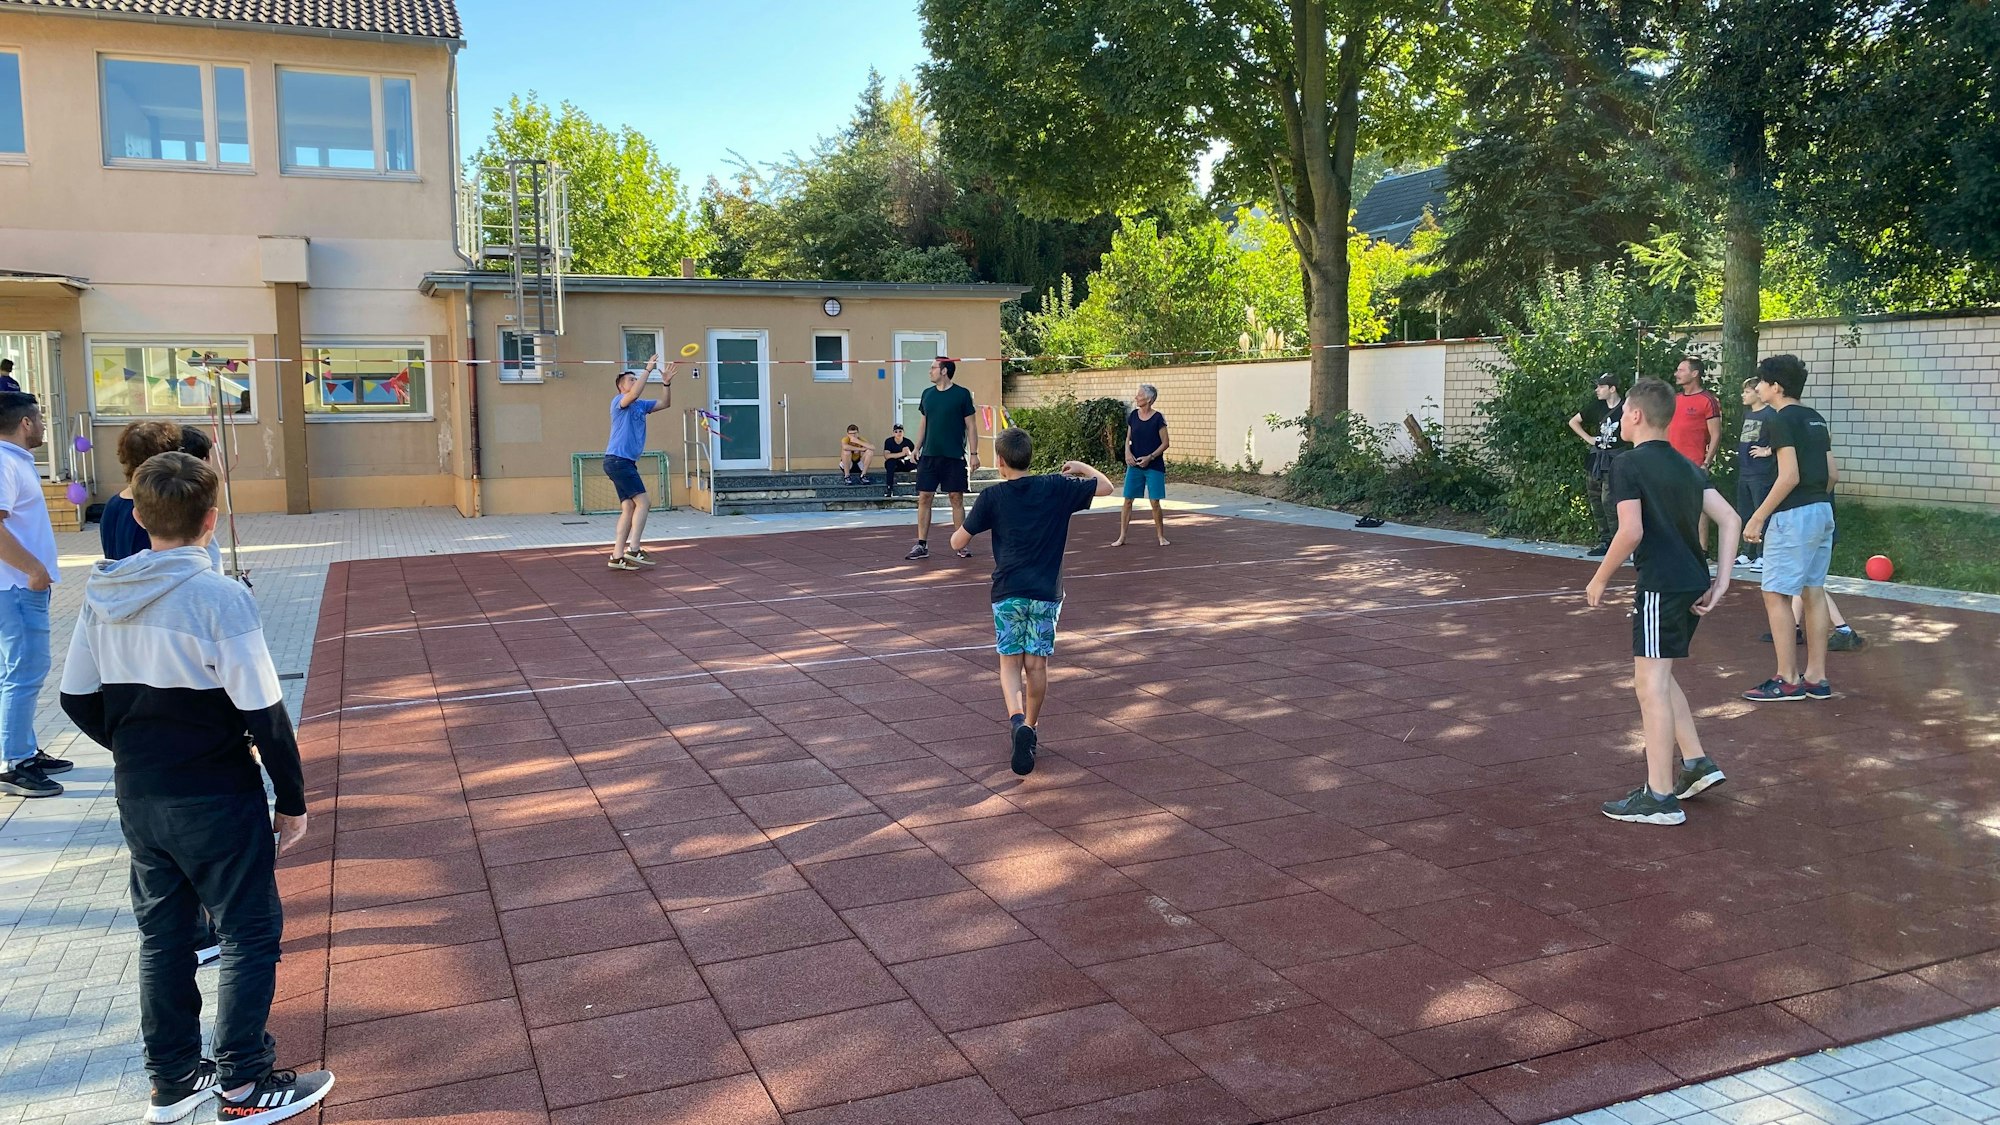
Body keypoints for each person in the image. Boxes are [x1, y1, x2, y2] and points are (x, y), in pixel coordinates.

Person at [60, 451, 330, 1124]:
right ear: (212, 519)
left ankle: (174, 1077)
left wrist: (134, 746)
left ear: (139, 516)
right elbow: (264, 710)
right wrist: (290, 799)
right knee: (249, 931)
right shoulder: (220, 597)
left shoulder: (103, 591)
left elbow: (73, 697)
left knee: (165, 937)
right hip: (214, 791)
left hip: (141, 794)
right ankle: (243, 1083)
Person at [1584, 378, 1740, 826]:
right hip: (1692, 582)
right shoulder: (1687, 466)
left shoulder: (1627, 464)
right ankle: (1696, 763)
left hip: (1661, 584)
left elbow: (1630, 531)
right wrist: (1722, 582)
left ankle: (1660, 796)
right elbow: (1730, 519)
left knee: (1647, 684)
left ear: (1633, 415)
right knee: (1661, 673)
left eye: (1622, 414)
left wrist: (1599, 578)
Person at [952, 430, 1112, 775]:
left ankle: (1017, 721)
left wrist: (963, 528)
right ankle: (1033, 727)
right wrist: (1081, 466)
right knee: (1036, 665)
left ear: (1000, 461)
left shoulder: (992, 496)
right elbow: (1106, 487)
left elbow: (957, 541)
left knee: (1009, 662)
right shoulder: (1056, 486)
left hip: (1008, 591)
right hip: (1046, 592)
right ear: (1029, 457)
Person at [1742, 354, 1838, 701]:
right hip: (1822, 510)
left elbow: (1789, 476)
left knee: (1776, 594)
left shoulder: (1779, 419)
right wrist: (1815, 505)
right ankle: (1816, 678)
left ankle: (1787, 679)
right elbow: (1831, 475)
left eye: (1761, 382)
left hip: (1793, 515)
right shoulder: (1816, 419)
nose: (1758, 387)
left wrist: (1758, 516)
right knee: (1813, 591)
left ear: (1776, 387)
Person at [0, 393, 66, 799]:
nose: (43, 425)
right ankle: (14, 762)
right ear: (26, 422)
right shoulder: (5, 462)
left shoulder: (14, 461)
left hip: (18, 586)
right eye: (39, 418)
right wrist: (34, 570)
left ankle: (22, 748)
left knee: (17, 671)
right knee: (25, 671)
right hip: (16, 586)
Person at [604, 354, 673, 572]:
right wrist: (648, 369)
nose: (634, 382)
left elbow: (665, 403)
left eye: (635, 378)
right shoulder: (618, 402)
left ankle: (617, 556)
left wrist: (666, 383)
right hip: (618, 460)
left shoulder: (641, 406)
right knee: (644, 502)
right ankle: (633, 550)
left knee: (628, 507)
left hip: (624, 462)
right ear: (621, 387)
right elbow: (634, 393)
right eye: (630, 380)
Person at [904, 357, 979, 561]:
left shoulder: (961, 394)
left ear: (944, 371)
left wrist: (974, 454)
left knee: (956, 498)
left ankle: (961, 545)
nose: (930, 371)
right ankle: (921, 545)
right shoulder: (927, 395)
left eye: (933, 368)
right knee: (924, 497)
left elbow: (971, 426)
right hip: (929, 456)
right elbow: (923, 424)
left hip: (954, 456)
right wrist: (916, 448)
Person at [1668, 356, 1723, 553]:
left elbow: (1716, 434)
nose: (1677, 373)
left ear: (1694, 373)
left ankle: (1702, 550)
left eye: (1681, 370)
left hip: (1695, 463)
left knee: (1699, 507)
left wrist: (1706, 462)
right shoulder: (1675, 399)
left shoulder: (1708, 400)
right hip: (1672, 462)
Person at [1568, 373, 1626, 557]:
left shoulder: (1627, 407)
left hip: (1616, 458)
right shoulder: (1597, 407)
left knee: (1609, 500)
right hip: (1597, 458)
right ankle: (1605, 540)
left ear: (1612, 388)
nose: (1597, 390)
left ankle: (1619, 542)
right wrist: (1590, 439)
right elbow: (1573, 421)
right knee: (1595, 498)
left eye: (1601, 386)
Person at [1110, 383, 1171, 548]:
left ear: (1149, 399)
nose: (1136, 397)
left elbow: (1165, 443)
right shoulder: (1133, 416)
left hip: (1154, 466)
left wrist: (1150, 457)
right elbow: (1128, 438)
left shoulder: (1158, 418)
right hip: (1134, 466)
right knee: (1128, 500)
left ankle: (1161, 536)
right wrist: (1127, 453)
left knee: (1154, 502)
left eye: (1139, 395)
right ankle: (1122, 536)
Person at [1733, 377, 1777, 572]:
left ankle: (1762, 554)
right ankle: (1747, 552)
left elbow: (1781, 439)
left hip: (1762, 473)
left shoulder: (1770, 415)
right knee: (1746, 513)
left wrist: (1768, 451)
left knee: (1762, 513)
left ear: (1757, 393)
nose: (1743, 395)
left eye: (1747, 392)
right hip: (1745, 472)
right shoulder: (1747, 415)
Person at [881, 424, 917, 498]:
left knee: (920, 463)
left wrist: (909, 453)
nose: (898, 433)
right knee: (890, 462)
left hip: (905, 464)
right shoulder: (889, 441)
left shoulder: (908, 442)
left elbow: (914, 457)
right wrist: (902, 453)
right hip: (895, 465)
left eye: (900, 431)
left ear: (903, 432)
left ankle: (921, 488)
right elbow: (887, 456)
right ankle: (889, 488)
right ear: (893, 433)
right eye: (896, 431)